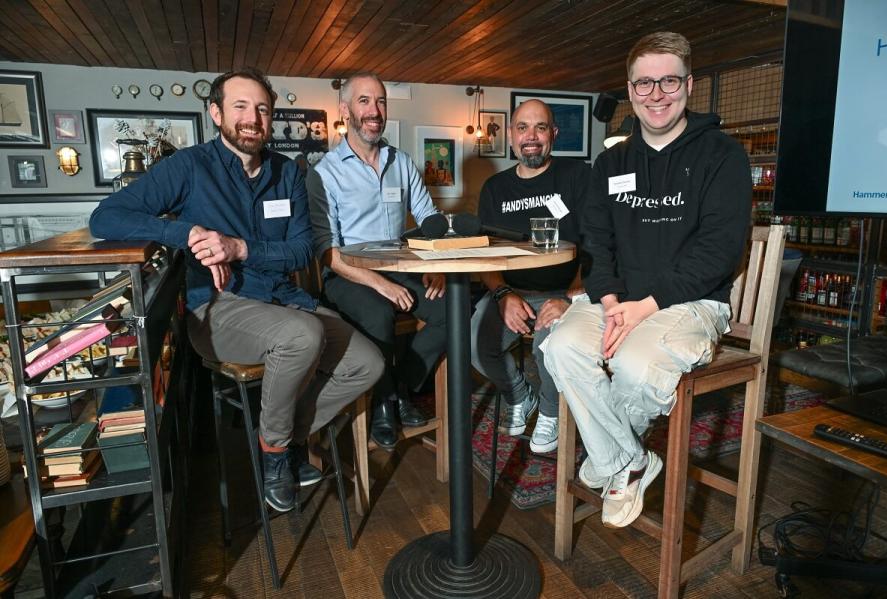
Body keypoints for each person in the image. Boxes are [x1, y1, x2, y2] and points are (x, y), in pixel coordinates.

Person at [89, 68, 383, 513]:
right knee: (302, 335)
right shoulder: (189, 167)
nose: (253, 118)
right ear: (215, 113)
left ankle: (280, 437)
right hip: (217, 307)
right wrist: (188, 233)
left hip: (285, 298)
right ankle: (276, 456)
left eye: (262, 109)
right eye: (241, 106)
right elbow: (105, 218)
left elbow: (303, 250)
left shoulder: (288, 172)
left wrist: (240, 248)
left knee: (368, 363)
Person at [543, 32, 751, 528]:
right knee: (561, 345)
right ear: (631, 90)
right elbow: (596, 239)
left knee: (636, 365)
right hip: (619, 300)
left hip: (692, 303)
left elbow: (718, 252)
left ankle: (608, 458)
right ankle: (629, 460)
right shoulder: (612, 161)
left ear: (689, 85)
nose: (656, 94)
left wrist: (644, 308)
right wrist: (613, 301)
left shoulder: (723, 156)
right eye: (644, 83)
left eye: (669, 81)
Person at [306, 72, 447, 451]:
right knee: (379, 314)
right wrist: (379, 284)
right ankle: (384, 405)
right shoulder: (325, 172)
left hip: (401, 267)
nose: (374, 110)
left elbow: (428, 218)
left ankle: (403, 387)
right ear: (345, 109)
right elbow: (327, 252)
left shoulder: (400, 162)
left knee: (453, 308)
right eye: (364, 101)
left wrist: (436, 269)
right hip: (348, 275)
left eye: (381, 101)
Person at [471, 99, 590, 454]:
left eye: (540, 128)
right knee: (475, 341)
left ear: (553, 134)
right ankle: (521, 396)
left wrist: (571, 297)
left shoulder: (577, 176)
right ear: (510, 135)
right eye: (523, 128)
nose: (531, 137)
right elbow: (486, 257)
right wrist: (503, 294)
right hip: (514, 292)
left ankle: (551, 414)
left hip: (565, 291)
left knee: (546, 344)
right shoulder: (495, 188)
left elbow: (598, 243)